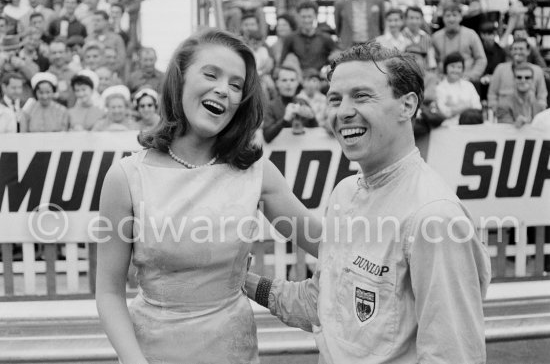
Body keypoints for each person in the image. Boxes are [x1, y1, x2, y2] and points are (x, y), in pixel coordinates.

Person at [246, 40, 491, 364]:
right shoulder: (346, 193)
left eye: (361, 96)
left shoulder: (434, 218)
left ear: (408, 105)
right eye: (335, 98)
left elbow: (452, 356)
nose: (343, 111)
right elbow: (321, 305)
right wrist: (242, 281)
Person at [95, 29, 320, 364]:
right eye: (211, 74)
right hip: (150, 354)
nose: (223, 90)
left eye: (235, 85)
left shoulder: (257, 171)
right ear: (180, 79)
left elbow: (333, 247)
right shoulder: (126, 177)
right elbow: (109, 292)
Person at [432, 3, 487, 83]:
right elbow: (433, 62)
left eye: (454, 15)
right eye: (448, 15)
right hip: (443, 82)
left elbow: (481, 59)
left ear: (461, 17)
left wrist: (471, 76)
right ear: (443, 18)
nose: (451, 19)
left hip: (467, 81)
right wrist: (438, 77)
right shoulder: (436, 37)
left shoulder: (471, 34)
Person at [488, 38, 547, 110]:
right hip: (503, 113)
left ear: (528, 51)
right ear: (510, 51)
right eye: (515, 49)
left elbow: (542, 96)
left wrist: (538, 112)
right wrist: (495, 109)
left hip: (529, 113)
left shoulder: (537, 71)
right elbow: (492, 94)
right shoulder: (500, 69)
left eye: (521, 49)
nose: (517, 52)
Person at [263, 66, 317, 143]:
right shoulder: (271, 106)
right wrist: (284, 120)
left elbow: (318, 134)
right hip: (279, 153)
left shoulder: (303, 102)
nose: (288, 84)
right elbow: (267, 136)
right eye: (284, 80)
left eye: (292, 80)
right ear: (277, 83)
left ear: (297, 83)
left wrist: (312, 118)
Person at [436, 52, 482, 126]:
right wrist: (466, 106)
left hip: (470, 126)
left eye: (459, 67)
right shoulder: (440, 88)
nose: (456, 70)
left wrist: (454, 109)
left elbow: (477, 107)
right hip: (447, 127)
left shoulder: (469, 86)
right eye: (452, 66)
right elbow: (444, 113)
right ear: (445, 68)